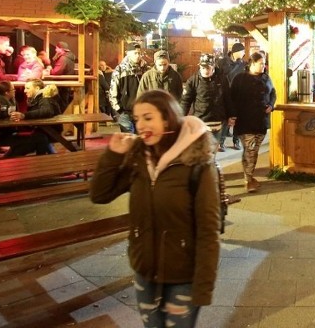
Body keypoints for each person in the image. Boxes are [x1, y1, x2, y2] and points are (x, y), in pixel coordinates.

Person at [89, 89, 220, 327]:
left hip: (183, 275)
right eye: (137, 119)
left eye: (148, 118)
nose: (140, 125)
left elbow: (209, 229)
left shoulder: (196, 163)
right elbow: (100, 195)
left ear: (168, 118)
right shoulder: (139, 157)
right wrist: (113, 155)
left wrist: (202, 287)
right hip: (145, 270)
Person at [228, 52, 276, 192]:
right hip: (245, 121)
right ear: (252, 64)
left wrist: (271, 105)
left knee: (253, 151)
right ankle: (248, 180)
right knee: (250, 150)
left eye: (264, 63)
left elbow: (273, 93)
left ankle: (249, 176)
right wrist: (232, 116)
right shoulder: (240, 78)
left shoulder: (266, 78)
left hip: (261, 122)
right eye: (261, 63)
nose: (263, 66)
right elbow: (231, 98)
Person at [181, 54, 228, 151]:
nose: (205, 70)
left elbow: (227, 98)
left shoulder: (222, 79)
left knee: (212, 151)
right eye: (203, 67)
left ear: (213, 66)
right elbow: (186, 101)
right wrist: (180, 118)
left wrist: (232, 115)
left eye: (208, 67)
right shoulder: (193, 80)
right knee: (201, 151)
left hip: (217, 121)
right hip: (200, 121)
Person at [109, 43, 148, 133]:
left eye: (139, 53)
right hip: (125, 111)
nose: (138, 56)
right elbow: (113, 91)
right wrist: (118, 109)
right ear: (128, 53)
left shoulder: (145, 69)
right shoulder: (119, 70)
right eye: (135, 53)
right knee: (128, 141)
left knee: (140, 140)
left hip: (141, 111)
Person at [217, 43, 247, 149]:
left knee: (238, 119)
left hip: (239, 95)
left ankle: (236, 141)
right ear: (237, 52)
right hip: (226, 94)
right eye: (243, 51)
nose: (244, 53)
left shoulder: (243, 64)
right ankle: (221, 141)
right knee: (226, 119)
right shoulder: (222, 63)